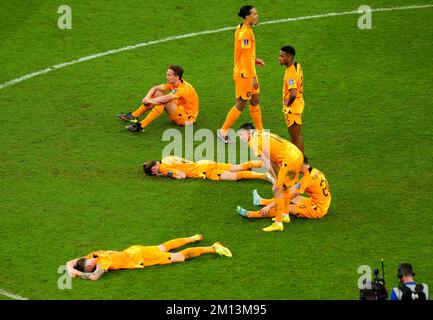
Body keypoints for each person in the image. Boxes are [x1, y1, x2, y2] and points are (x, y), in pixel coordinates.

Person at [66, 234, 232, 281]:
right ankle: (192, 238)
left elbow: (93, 276)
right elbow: (73, 263)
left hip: (141, 257)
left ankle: (213, 247)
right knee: (162, 247)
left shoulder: (101, 261)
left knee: (178, 258)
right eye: (90, 264)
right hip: (135, 250)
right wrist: (71, 269)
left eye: (90, 262)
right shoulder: (96, 256)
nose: (92, 261)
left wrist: (75, 272)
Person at [237, 123, 303, 232]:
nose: (240, 138)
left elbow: (267, 163)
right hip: (296, 155)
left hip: (289, 160)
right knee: (284, 187)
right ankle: (285, 215)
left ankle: (278, 223)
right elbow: (273, 160)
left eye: (241, 134)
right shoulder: (261, 134)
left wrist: (275, 180)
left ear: (249, 133)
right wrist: (277, 178)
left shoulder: (253, 142)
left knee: (277, 190)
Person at [217, 5, 265, 144]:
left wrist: (254, 60)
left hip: (247, 70)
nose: (257, 16)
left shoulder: (241, 28)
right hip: (245, 74)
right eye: (254, 14)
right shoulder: (245, 33)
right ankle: (222, 132)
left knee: (255, 99)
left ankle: (261, 132)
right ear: (247, 17)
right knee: (241, 103)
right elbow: (244, 57)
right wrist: (253, 78)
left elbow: (245, 53)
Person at [237, 156, 331, 220]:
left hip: (317, 209)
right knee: (290, 196)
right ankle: (260, 201)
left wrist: (269, 206)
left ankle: (252, 214)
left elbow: (288, 197)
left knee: (284, 206)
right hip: (319, 202)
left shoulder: (307, 179)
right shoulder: (314, 171)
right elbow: (293, 189)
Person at [118, 65, 199, 132]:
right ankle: (134, 115)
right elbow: (155, 88)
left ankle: (142, 125)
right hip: (179, 108)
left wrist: (149, 100)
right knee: (157, 92)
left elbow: (165, 99)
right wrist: (146, 98)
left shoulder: (183, 89)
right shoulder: (175, 83)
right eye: (167, 74)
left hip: (187, 118)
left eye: (169, 75)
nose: (166, 77)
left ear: (177, 77)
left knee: (164, 101)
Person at [143, 155, 274, 183]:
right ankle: (262, 163)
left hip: (206, 170)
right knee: (236, 167)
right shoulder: (167, 157)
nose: (155, 173)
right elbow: (185, 160)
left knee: (233, 176)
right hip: (203, 163)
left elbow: (182, 175)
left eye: (154, 172)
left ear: (154, 169)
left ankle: (263, 176)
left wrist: (166, 175)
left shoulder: (165, 168)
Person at [279, 46, 305, 153]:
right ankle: (298, 161)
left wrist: (288, 104)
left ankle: (301, 163)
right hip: (298, 104)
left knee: (295, 137)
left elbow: (293, 93)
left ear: (289, 57)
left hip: (293, 109)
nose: (279, 58)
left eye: (282, 56)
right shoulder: (297, 65)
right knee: (295, 137)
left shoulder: (290, 73)